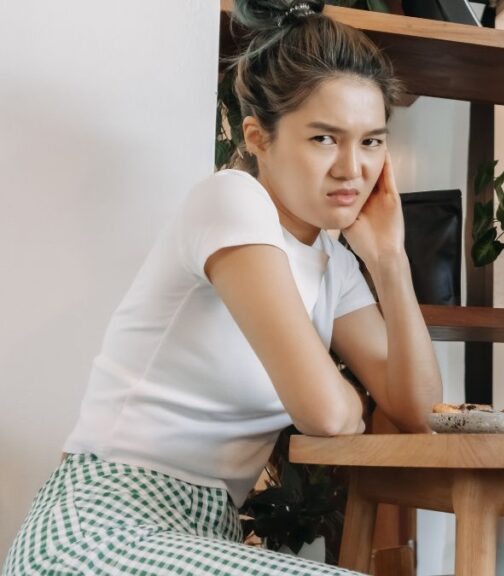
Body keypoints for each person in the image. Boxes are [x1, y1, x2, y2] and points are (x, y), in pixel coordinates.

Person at [2, 1, 441, 574]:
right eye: (324, 139)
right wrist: (350, 401)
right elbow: (328, 416)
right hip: (101, 524)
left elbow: (424, 413)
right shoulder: (232, 201)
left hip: (202, 532)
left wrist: (389, 261)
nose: (352, 168)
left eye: (371, 142)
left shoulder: (334, 260)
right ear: (259, 137)